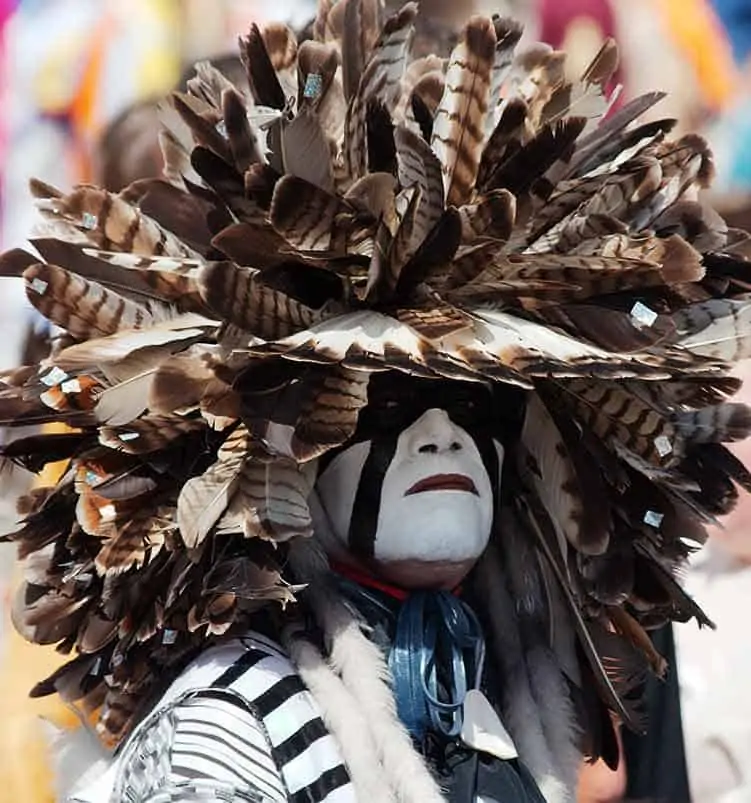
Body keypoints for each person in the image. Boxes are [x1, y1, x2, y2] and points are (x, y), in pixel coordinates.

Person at [0, 2, 749, 801]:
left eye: (475, 403)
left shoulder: (494, 692)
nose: (439, 435)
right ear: (285, 453)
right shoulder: (224, 726)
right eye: (382, 405)